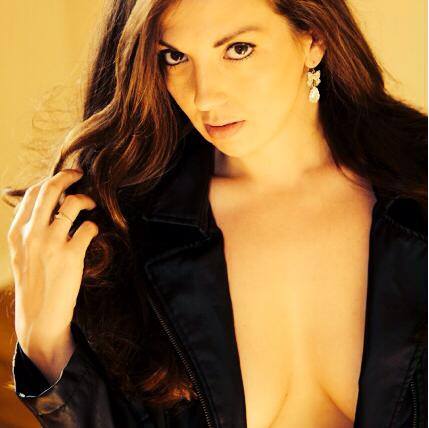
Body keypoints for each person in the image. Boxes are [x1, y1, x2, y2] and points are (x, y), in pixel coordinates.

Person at [2, 0, 427, 427]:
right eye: (175, 57)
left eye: (238, 49)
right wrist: (46, 347)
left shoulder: (418, 192)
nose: (205, 95)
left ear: (313, 39)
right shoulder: (120, 235)